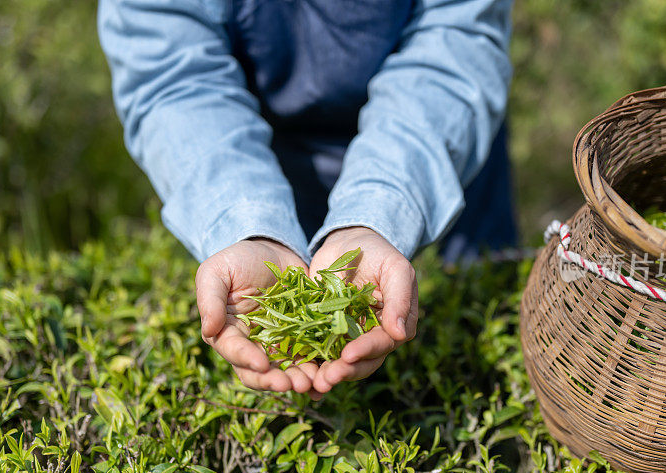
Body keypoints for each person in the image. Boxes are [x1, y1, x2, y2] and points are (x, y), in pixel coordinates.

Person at [98, 0, 517, 398]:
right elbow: (173, 76)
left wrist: (378, 213)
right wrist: (248, 223)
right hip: (252, 155)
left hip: (431, 146)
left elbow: (455, 45)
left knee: (477, 347)